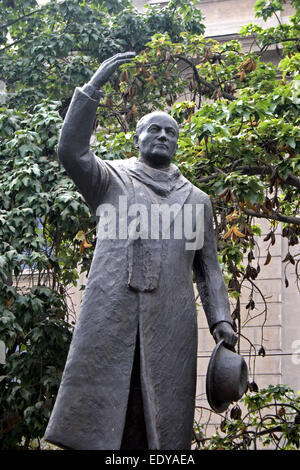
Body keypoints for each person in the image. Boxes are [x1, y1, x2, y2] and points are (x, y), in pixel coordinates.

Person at [44, 52, 237, 450]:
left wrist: (222, 322)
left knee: (160, 429)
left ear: (178, 143)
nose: (163, 136)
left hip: (171, 322)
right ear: (138, 138)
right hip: (112, 315)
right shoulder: (111, 179)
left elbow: (210, 270)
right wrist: (91, 89)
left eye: (170, 132)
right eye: (154, 130)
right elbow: (71, 151)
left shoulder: (197, 200)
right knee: (105, 419)